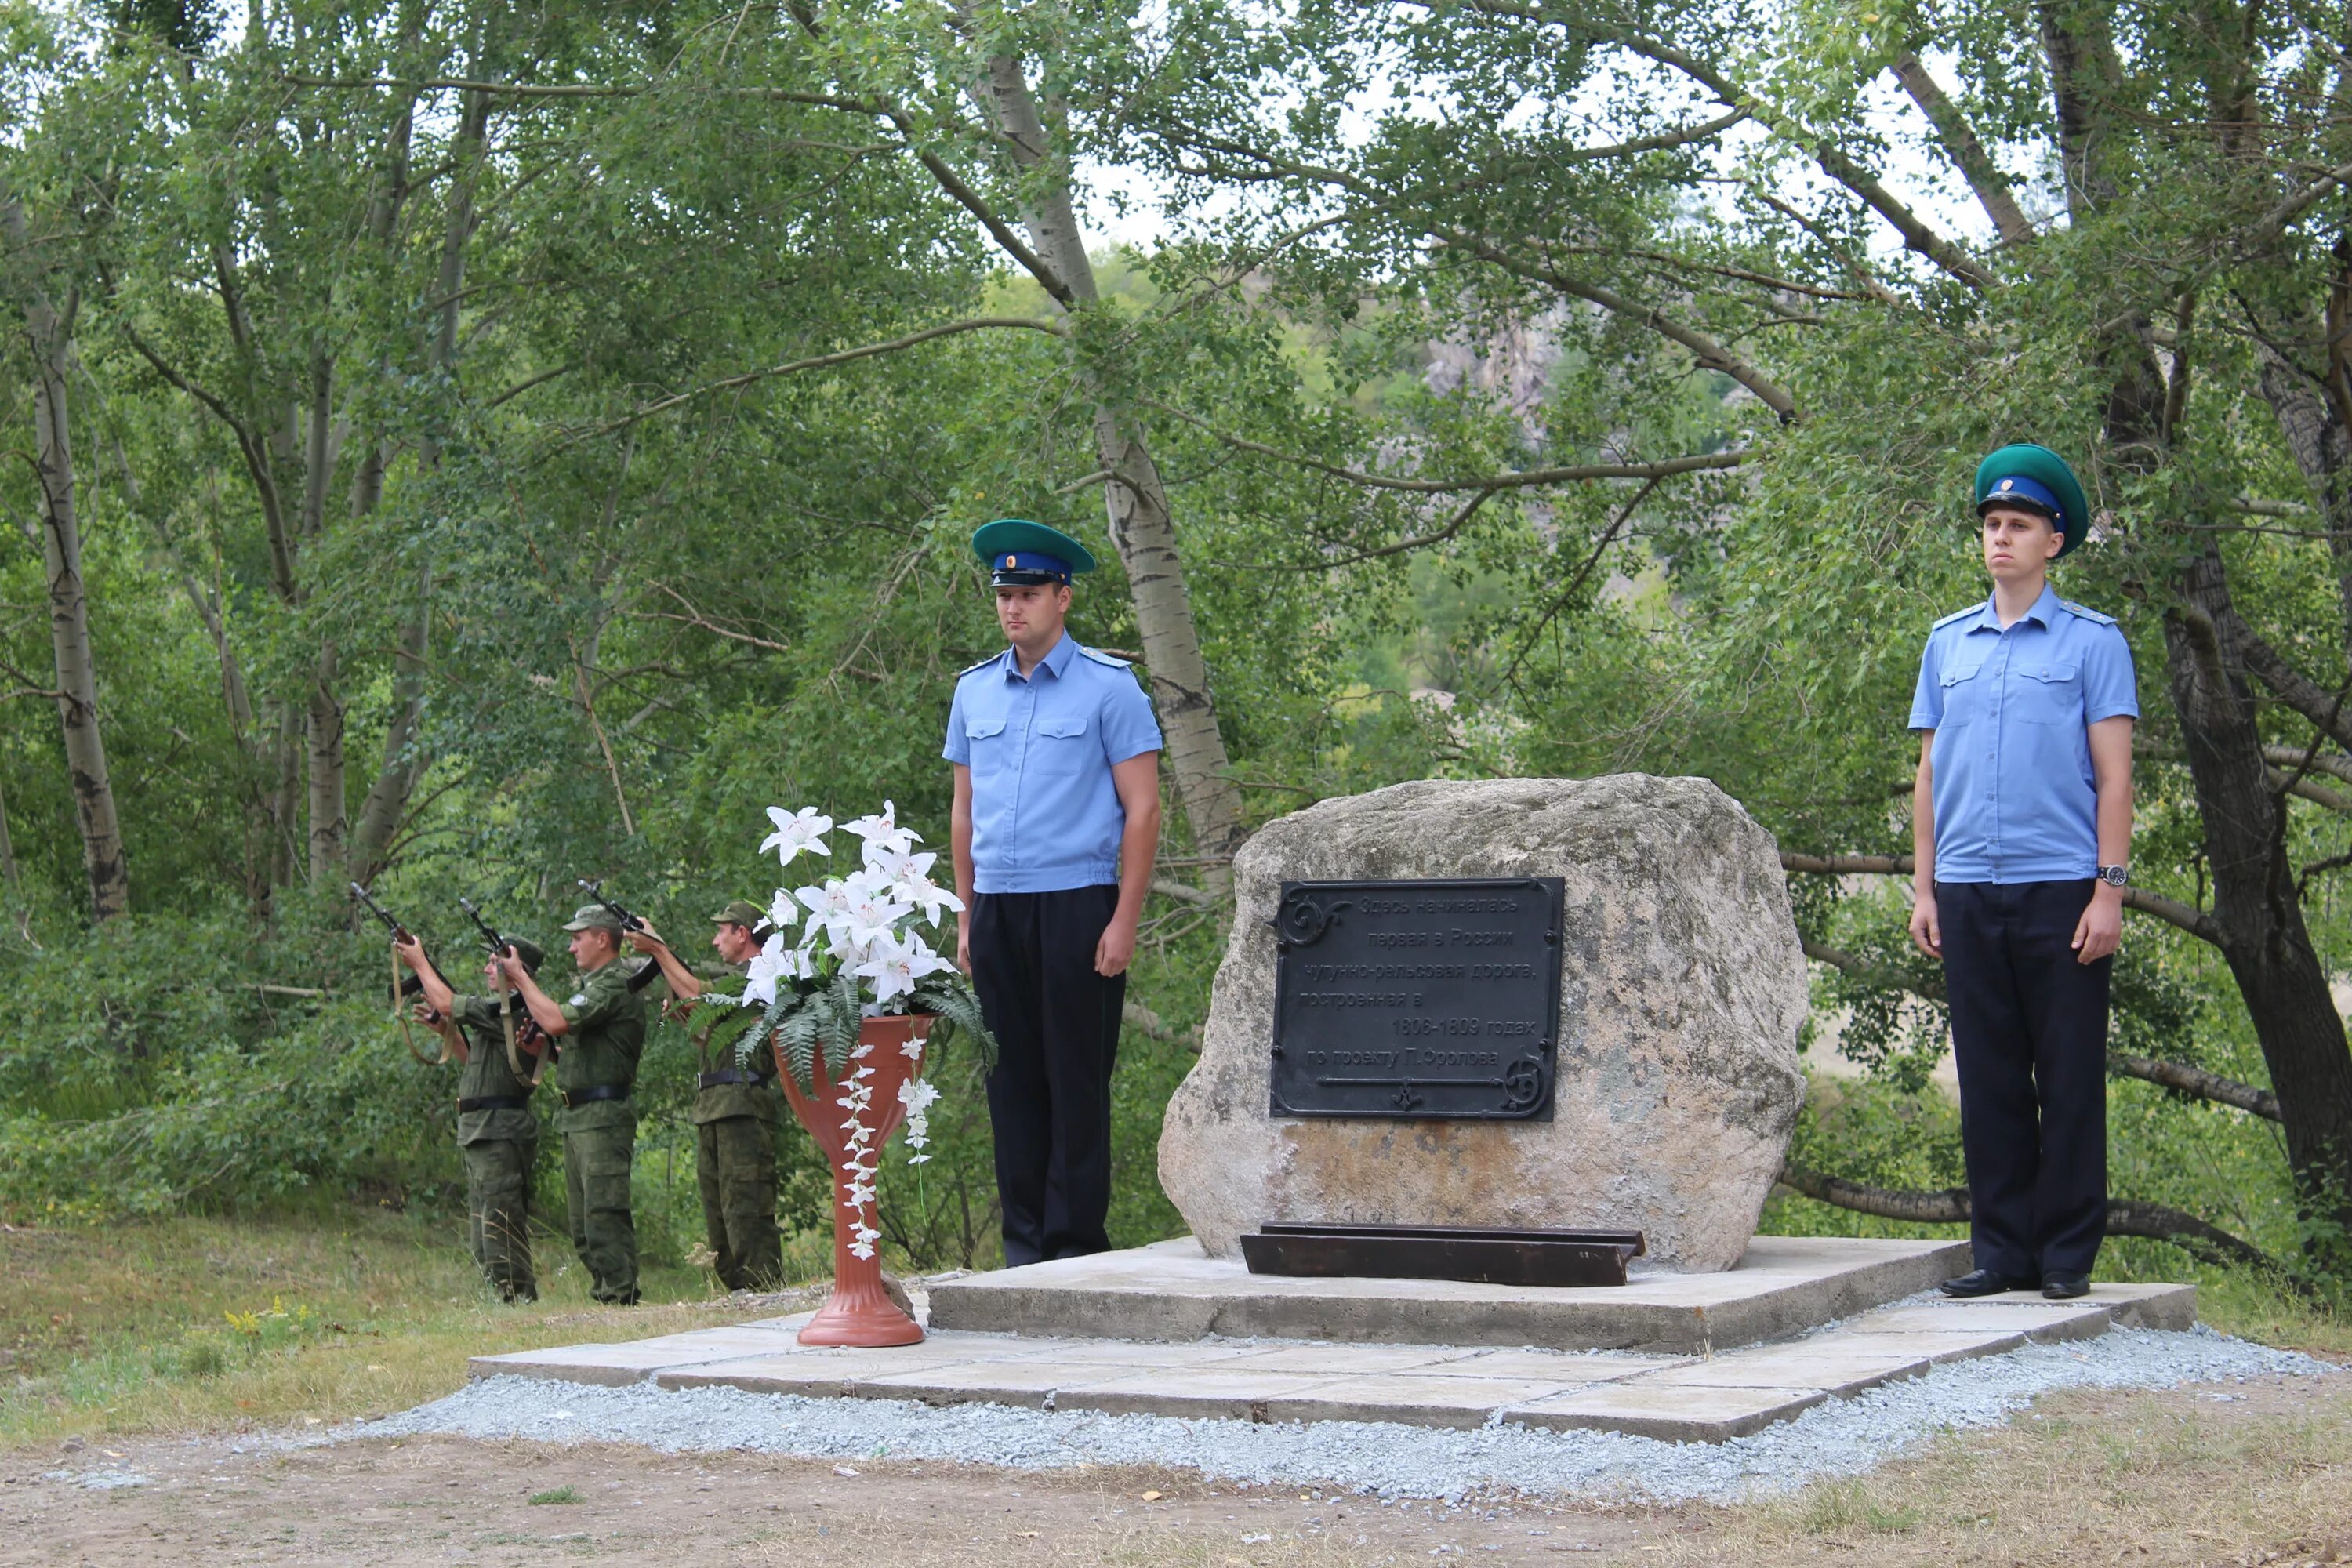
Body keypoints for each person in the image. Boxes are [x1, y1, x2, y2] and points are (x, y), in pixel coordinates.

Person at [1907, 443, 2136, 1301]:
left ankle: (2067, 1255)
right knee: (1992, 1074)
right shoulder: (1947, 644)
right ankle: (2002, 1251)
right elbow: (1930, 775)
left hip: (2062, 887)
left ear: (2054, 540)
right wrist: (1925, 888)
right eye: (1992, 524)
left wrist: (2109, 888)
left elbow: (2115, 777)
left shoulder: (2092, 644)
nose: (2001, 538)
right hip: (1967, 887)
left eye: (2020, 525)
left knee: (2069, 1073)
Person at [944, 518, 1163, 1266]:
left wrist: (1125, 917)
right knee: (1012, 1080)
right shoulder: (974, 692)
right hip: (1000, 905)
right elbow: (962, 812)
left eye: (1029, 594)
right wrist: (968, 917)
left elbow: (1144, 807)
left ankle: (1075, 1246)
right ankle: (1025, 1246)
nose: (1013, 608)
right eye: (1005, 594)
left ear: (1063, 599)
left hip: (1079, 901)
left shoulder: (1110, 687)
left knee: (1076, 1079)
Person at [495, 905, 650, 1305]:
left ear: (602, 939)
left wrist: (521, 979)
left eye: (578, 938)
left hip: (603, 1116)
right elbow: (580, 1047)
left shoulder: (615, 982)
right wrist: (548, 1049)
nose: (571, 947)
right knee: (583, 1221)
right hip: (579, 1114)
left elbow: (558, 1019)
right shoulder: (595, 983)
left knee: (603, 1212)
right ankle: (607, 1294)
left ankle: (619, 1295)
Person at [630, 900, 786, 1292]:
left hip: (743, 1103)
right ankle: (738, 1290)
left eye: (722, 931)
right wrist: (687, 1015)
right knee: (719, 1208)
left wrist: (659, 950)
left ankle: (762, 1289)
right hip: (715, 1104)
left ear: (743, 933)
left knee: (745, 1205)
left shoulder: (762, 976)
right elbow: (710, 1028)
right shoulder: (739, 979)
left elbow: (704, 994)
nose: (716, 940)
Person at [394, 932, 550, 1303]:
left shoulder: (517, 1009)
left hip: (500, 1132)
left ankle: (517, 1302)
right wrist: (446, 1032)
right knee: (483, 1233)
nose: (487, 969)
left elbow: (448, 1001)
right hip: (483, 1130)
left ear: (517, 969)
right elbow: (480, 1064)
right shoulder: (501, 1012)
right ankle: (504, 1300)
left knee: (501, 1227)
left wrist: (419, 962)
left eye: (495, 962)